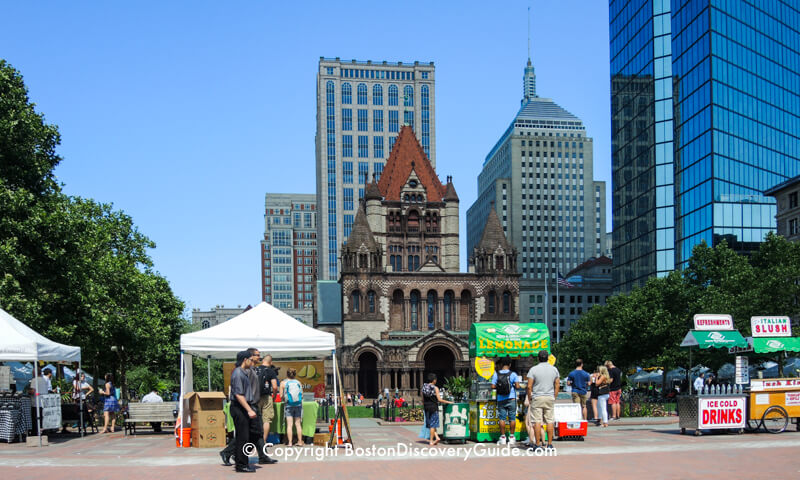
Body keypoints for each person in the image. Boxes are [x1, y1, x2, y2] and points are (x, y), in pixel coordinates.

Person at [526, 350, 560, 452]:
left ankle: (537, 444)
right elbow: (557, 384)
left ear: (538, 358)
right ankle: (549, 444)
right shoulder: (554, 369)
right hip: (549, 397)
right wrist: (554, 396)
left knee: (537, 421)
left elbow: (529, 386)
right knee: (550, 421)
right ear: (547, 358)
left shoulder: (533, 369)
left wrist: (529, 397)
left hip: (537, 397)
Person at [491, 357, 521, 445]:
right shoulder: (513, 374)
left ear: (501, 364)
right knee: (512, 418)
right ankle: (511, 437)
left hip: (501, 399)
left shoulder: (496, 374)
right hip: (511, 398)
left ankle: (503, 437)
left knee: (502, 418)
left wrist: (499, 387)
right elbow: (518, 386)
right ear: (510, 364)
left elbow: (492, 386)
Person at [422, 373, 452, 446]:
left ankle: (437, 437)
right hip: (434, 407)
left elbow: (422, 399)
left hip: (426, 407)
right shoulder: (435, 388)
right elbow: (439, 399)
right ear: (434, 380)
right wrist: (449, 402)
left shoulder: (424, 387)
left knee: (429, 424)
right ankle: (431, 441)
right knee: (433, 425)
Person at [256, 354, 279, 444]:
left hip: (256, 397)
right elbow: (274, 386)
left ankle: (255, 441)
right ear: (271, 362)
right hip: (266, 397)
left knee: (256, 420)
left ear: (262, 360)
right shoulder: (270, 371)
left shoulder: (255, 369)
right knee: (266, 420)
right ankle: (264, 441)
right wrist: (273, 396)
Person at [280, 368, 305, 447]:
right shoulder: (298, 382)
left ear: (286, 374)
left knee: (289, 424)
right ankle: (300, 441)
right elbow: (302, 395)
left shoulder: (283, 383)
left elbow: (281, 395)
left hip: (289, 405)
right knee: (298, 424)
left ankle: (290, 442)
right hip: (298, 405)